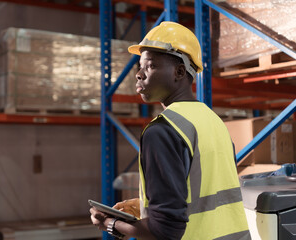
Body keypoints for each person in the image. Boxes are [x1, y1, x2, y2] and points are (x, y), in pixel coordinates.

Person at [90, 21, 250, 240]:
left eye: (150, 65)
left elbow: (165, 231)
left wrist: (111, 223)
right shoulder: (213, 122)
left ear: (179, 71)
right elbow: (205, 195)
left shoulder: (162, 131)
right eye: (140, 66)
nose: (139, 74)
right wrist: (145, 206)